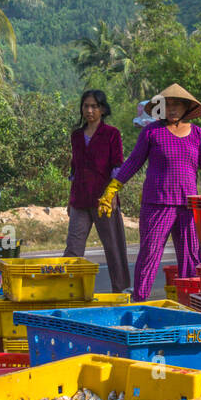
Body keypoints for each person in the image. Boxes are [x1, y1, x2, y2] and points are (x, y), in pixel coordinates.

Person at [99, 83, 201, 301]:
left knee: (191, 256)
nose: (172, 109)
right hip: (157, 204)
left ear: (186, 107)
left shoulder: (197, 134)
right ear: (160, 107)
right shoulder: (152, 132)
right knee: (149, 254)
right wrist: (112, 188)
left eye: (177, 104)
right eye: (167, 104)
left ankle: (191, 303)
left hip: (188, 206)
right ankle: (140, 301)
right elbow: (133, 163)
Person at [64, 89, 131, 292]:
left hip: (104, 199)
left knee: (113, 247)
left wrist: (112, 194)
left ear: (102, 109)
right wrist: (70, 198)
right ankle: (67, 289)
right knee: (73, 248)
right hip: (80, 199)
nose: (90, 110)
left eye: (94, 106)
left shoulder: (112, 134)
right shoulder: (76, 136)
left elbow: (118, 166)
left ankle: (121, 291)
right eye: (86, 106)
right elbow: (74, 168)